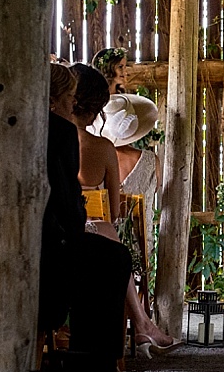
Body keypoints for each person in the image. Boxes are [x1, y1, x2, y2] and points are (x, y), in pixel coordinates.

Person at [41, 64, 137, 372]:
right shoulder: (60, 133)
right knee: (112, 259)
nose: (72, 105)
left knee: (104, 257)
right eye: (68, 98)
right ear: (54, 101)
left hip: (38, 239)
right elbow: (71, 210)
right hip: (49, 246)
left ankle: (100, 371)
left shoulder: (32, 129)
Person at [70, 64, 174, 352]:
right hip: (91, 236)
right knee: (113, 246)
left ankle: (142, 327)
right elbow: (114, 211)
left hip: (57, 234)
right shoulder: (101, 148)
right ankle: (141, 325)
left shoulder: (50, 139)